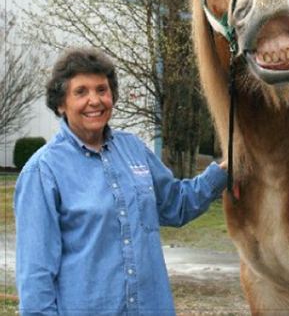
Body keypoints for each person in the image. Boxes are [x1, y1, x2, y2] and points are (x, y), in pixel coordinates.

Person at [14, 48, 228, 316]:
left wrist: (224, 171)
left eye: (102, 90)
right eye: (81, 92)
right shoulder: (43, 172)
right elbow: (36, 278)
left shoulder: (135, 150)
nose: (95, 100)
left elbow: (177, 205)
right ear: (61, 103)